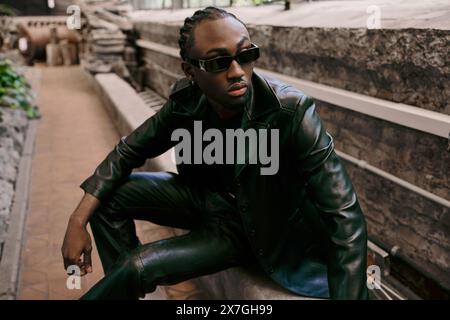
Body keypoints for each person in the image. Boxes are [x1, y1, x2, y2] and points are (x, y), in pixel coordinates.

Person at [61, 7, 368, 300]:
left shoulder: (289, 111)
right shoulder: (187, 102)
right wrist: (77, 220)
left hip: (252, 227)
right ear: (190, 71)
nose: (237, 72)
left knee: (137, 266)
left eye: (246, 55)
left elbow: (344, 214)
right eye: (218, 62)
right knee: (106, 198)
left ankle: (125, 283)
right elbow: (128, 151)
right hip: (205, 202)